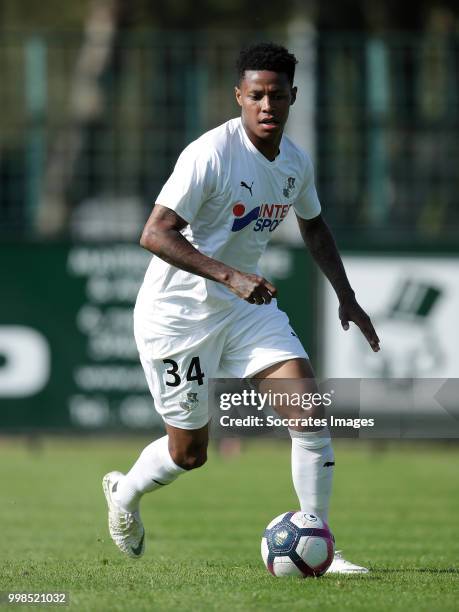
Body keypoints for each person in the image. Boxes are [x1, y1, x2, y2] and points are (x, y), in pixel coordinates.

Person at [103, 42, 380, 572]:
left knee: (309, 411)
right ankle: (124, 494)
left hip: (245, 309)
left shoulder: (296, 162)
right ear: (239, 97)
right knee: (190, 454)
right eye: (256, 96)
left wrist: (346, 296)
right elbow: (154, 233)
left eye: (277, 95)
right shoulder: (209, 154)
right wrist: (230, 275)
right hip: (177, 316)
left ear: (293, 96)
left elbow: (313, 224)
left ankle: (320, 541)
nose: (267, 106)